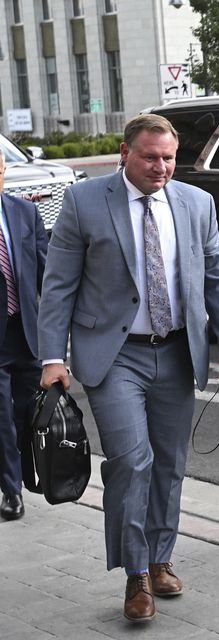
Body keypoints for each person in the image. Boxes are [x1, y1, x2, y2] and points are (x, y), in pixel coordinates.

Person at [38, 114, 219, 622]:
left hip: (177, 351)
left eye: (169, 157)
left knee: (169, 464)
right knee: (132, 462)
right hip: (114, 355)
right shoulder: (85, 202)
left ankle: (159, 557)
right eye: (151, 156)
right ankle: (135, 575)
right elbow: (59, 283)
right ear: (124, 153)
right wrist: (51, 358)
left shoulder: (196, 204)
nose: (161, 167)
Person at [0, 154, 48, 522]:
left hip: (25, 331)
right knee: (2, 416)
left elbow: (49, 270)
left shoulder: (23, 212)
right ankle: (11, 490)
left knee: (25, 412)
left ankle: (23, 476)